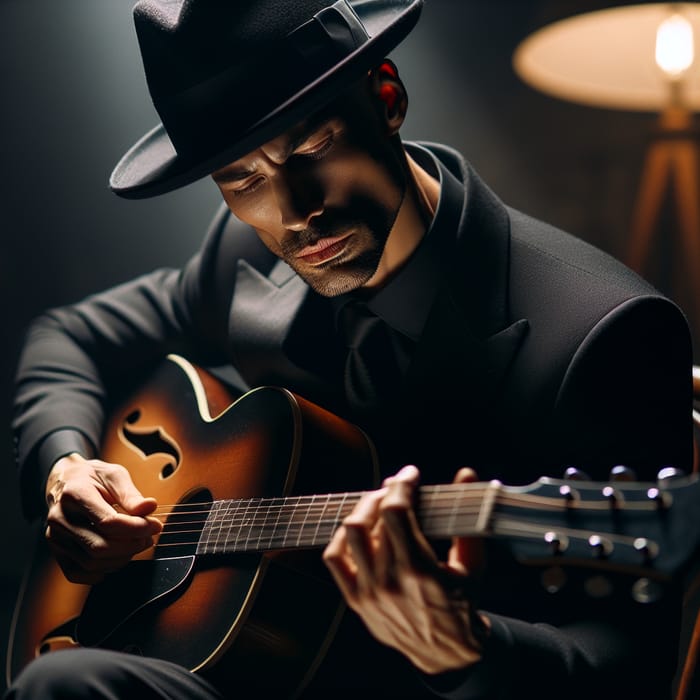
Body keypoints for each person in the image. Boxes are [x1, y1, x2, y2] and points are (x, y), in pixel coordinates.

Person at [5, 0, 695, 698]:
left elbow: (632, 670)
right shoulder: (243, 251)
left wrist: (470, 650)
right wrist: (65, 469)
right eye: (243, 180)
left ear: (387, 97)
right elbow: (69, 336)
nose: (296, 209)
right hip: (264, 667)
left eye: (311, 148)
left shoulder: (602, 333)